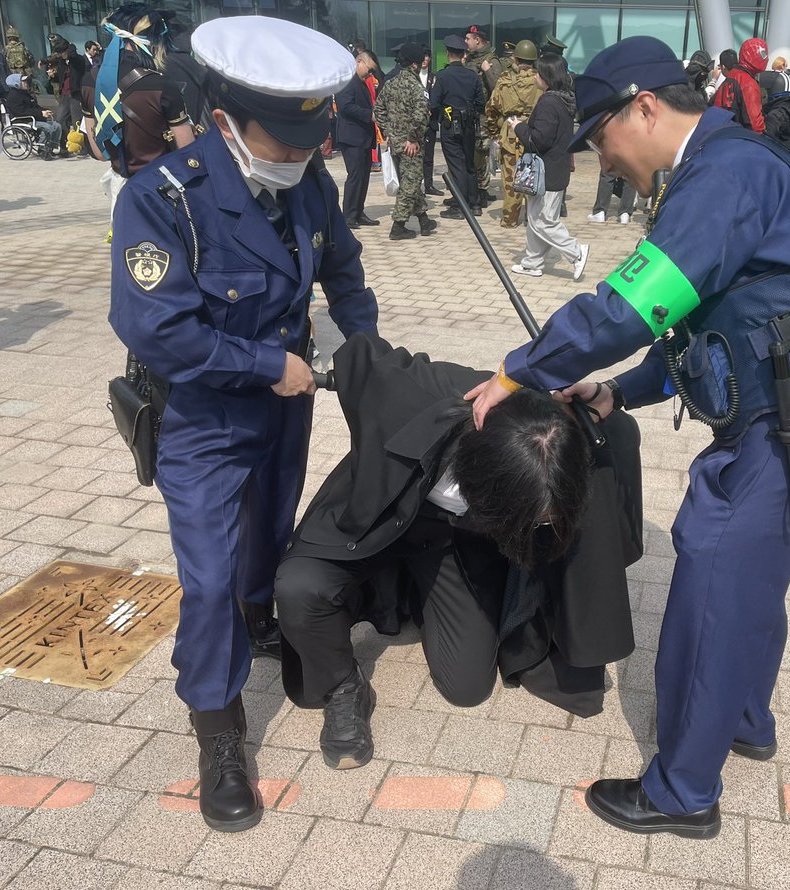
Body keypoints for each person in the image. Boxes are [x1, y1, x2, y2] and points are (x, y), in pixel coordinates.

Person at [465, 35, 790, 840]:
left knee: (713, 588)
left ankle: (683, 791)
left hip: (781, 432)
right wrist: (620, 389)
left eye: (602, 140)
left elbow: (628, 308)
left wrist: (518, 372)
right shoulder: (719, 166)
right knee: (754, 582)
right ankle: (744, 720)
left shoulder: (725, 177)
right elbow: (698, 331)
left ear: (644, 107)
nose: (603, 163)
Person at [108, 14, 379, 833]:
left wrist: (369, 359)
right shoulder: (162, 199)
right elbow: (156, 327)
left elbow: (344, 273)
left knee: (269, 537)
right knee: (209, 578)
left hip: (282, 415)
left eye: (309, 140)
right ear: (225, 121)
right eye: (283, 140)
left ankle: (263, 625)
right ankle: (218, 729)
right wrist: (268, 365)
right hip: (201, 418)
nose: (299, 156)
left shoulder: (309, 186)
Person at [275, 333, 642, 766]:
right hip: (375, 514)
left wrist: (610, 395)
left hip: (449, 541)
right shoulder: (420, 395)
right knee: (298, 588)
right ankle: (343, 686)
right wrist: (300, 373)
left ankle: (417, 595)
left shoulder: (557, 434)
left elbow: (619, 430)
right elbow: (361, 356)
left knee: (466, 688)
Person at [81, 3, 195, 235]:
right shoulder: (161, 84)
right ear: (151, 40)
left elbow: (99, 152)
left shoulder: (89, 80)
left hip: (122, 195)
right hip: (162, 197)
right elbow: (188, 154)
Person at [509, 52, 587, 279]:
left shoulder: (549, 101)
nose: (534, 76)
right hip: (555, 169)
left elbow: (539, 139)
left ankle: (576, 252)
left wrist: (518, 126)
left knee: (543, 221)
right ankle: (532, 262)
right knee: (537, 218)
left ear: (546, 75)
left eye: (537, 72)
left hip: (546, 172)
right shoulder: (564, 98)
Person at [375, 42, 437, 240]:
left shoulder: (391, 83)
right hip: (412, 145)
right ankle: (398, 226)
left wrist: (389, 133)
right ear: (414, 65)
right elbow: (420, 116)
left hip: (396, 143)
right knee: (409, 185)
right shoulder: (415, 86)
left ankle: (424, 220)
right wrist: (412, 138)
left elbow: (378, 110)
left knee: (409, 181)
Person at [484, 40, 543, 228]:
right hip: (535, 133)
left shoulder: (505, 80)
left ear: (515, 58)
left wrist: (494, 133)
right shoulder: (541, 80)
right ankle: (533, 220)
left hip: (510, 134)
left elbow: (492, 109)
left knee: (510, 181)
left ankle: (510, 219)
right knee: (535, 176)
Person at [430, 34, 484, 218]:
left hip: (450, 124)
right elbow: (480, 103)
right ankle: (474, 203)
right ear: (463, 55)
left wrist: (443, 116)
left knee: (457, 166)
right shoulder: (472, 75)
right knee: (469, 163)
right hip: (469, 124)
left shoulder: (443, 76)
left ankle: (459, 207)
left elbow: (434, 103)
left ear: (447, 54)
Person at [336, 47, 379, 228]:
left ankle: (359, 211)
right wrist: (369, 115)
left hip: (364, 137)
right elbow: (345, 106)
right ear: (359, 62)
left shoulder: (361, 82)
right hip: (351, 137)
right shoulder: (346, 81)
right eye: (369, 70)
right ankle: (349, 215)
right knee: (355, 176)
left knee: (364, 176)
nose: (370, 74)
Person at [464, 25, 500, 205]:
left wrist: (488, 71)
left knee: (481, 153)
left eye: (468, 39)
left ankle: (482, 191)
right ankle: (474, 189)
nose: (466, 42)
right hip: (469, 115)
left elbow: (499, 89)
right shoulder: (469, 59)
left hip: (483, 116)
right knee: (471, 153)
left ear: (477, 40)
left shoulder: (491, 60)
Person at [712, 38, 767, 133]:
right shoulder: (748, 83)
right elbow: (755, 125)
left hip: (722, 135)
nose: (765, 58)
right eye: (763, 54)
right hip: (740, 138)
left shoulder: (731, 77)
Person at [45, 34, 90, 151]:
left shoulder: (77, 60)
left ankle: (81, 146)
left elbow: (74, 55)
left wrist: (69, 52)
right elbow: (60, 78)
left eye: (61, 53)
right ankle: (63, 145)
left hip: (75, 94)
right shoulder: (61, 63)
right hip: (64, 95)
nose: (60, 56)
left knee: (77, 122)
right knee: (60, 119)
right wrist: (52, 77)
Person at [3, 73, 62, 157]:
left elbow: (35, 107)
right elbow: (21, 111)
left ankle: (50, 148)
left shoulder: (25, 94)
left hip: (33, 118)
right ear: (16, 83)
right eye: (23, 81)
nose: (26, 83)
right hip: (23, 120)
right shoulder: (13, 96)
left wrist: (44, 111)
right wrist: (40, 113)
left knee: (57, 126)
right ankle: (42, 149)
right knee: (47, 127)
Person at [419, 47, 442, 196]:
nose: (425, 59)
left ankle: (429, 184)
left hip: (431, 122)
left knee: (429, 156)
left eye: (428, 57)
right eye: (423, 56)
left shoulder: (434, 78)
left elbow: (437, 98)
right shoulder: (413, 77)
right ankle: (416, 187)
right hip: (417, 122)